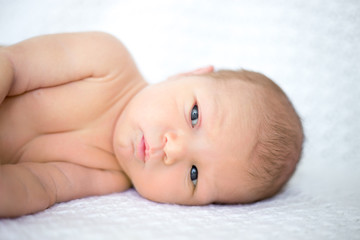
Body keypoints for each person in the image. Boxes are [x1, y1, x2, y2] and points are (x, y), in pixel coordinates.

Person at [0, 32, 304, 218]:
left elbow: (41, 185)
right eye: (194, 116)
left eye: (194, 174)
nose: (173, 149)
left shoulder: (110, 178)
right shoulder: (106, 62)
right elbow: (11, 63)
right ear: (187, 75)